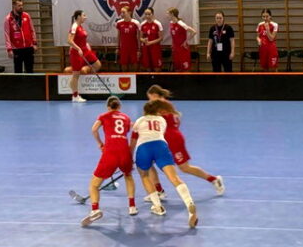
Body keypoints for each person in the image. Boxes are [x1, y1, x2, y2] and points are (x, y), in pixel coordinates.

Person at [141, 85, 225, 199]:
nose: (149, 101)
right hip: (166, 139)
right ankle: (159, 191)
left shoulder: (160, 107)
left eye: (150, 98)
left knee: (184, 168)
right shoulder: (167, 105)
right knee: (149, 163)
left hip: (173, 140)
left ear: (155, 95)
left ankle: (214, 180)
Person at [131, 99, 199, 228]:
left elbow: (133, 140)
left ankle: (158, 207)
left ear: (145, 111)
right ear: (157, 111)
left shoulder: (139, 121)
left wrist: (130, 156)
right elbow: (156, 135)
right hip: (161, 146)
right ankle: (189, 202)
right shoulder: (162, 121)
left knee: (144, 175)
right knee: (174, 178)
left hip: (144, 148)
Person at [81, 96, 137, 226]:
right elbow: (135, 128)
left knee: (94, 184)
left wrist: (100, 143)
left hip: (110, 152)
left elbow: (94, 129)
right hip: (124, 152)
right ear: (119, 107)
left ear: (108, 107)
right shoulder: (126, 118)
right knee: (128, 176)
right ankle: (132, 206)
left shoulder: (104, 116)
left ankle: (95, 209)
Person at [67, 10, 101, 102]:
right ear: (78, 17)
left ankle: (83, 70)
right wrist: (78, 49)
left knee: (97, 64)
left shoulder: (81, 26)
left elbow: (81, 40)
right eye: (84, 15)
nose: (85, 17)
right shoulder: (74, 26)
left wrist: (85, 47)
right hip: (77, 53)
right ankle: (75, 96)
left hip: (85, 51)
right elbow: (69, 41)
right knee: (75, 75)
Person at [4, 0, 37, 73]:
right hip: (17, 48)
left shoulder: (26, 16)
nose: (21, 7)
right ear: (14, 6)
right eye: (19, 5)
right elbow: (7, 35)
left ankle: (29, 81)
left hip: (28, 47)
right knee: (18, 70)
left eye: (22, 5)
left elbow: (32, 30)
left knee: (30, 69)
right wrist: (9, 49)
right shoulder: (8, 19)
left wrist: (34, 43)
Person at [115, 6, 140, 71]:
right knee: (124, 64)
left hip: (134, 48)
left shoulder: (136, 23)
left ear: (129, 12)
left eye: (123, 12)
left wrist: (139, 49)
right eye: (121, 12)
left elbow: (138, 37)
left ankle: (135, 76)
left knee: (135, 63)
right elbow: (118, 36)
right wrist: (117, 47)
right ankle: (125, 76)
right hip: (123, 48)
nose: (122, 14)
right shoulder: (119, 23)